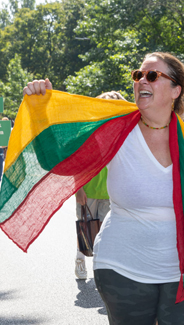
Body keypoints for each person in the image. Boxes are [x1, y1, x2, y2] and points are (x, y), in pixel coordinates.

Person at [23, 51, 184, 325]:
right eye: (138, 75)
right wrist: (40, 111)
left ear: (176, 90)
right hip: (122, 267)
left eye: (152, 76)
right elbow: (59, 162)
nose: (142, 81)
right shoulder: (114, 133)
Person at [74, 91, 126, 280]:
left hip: (111, 191)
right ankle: (80, 258)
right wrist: (78, 189)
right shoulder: (87, 130)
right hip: (88, 189)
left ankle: (102, 268)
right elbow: (77, 162)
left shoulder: (122, 130)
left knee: (105, 232)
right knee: (85, 228)